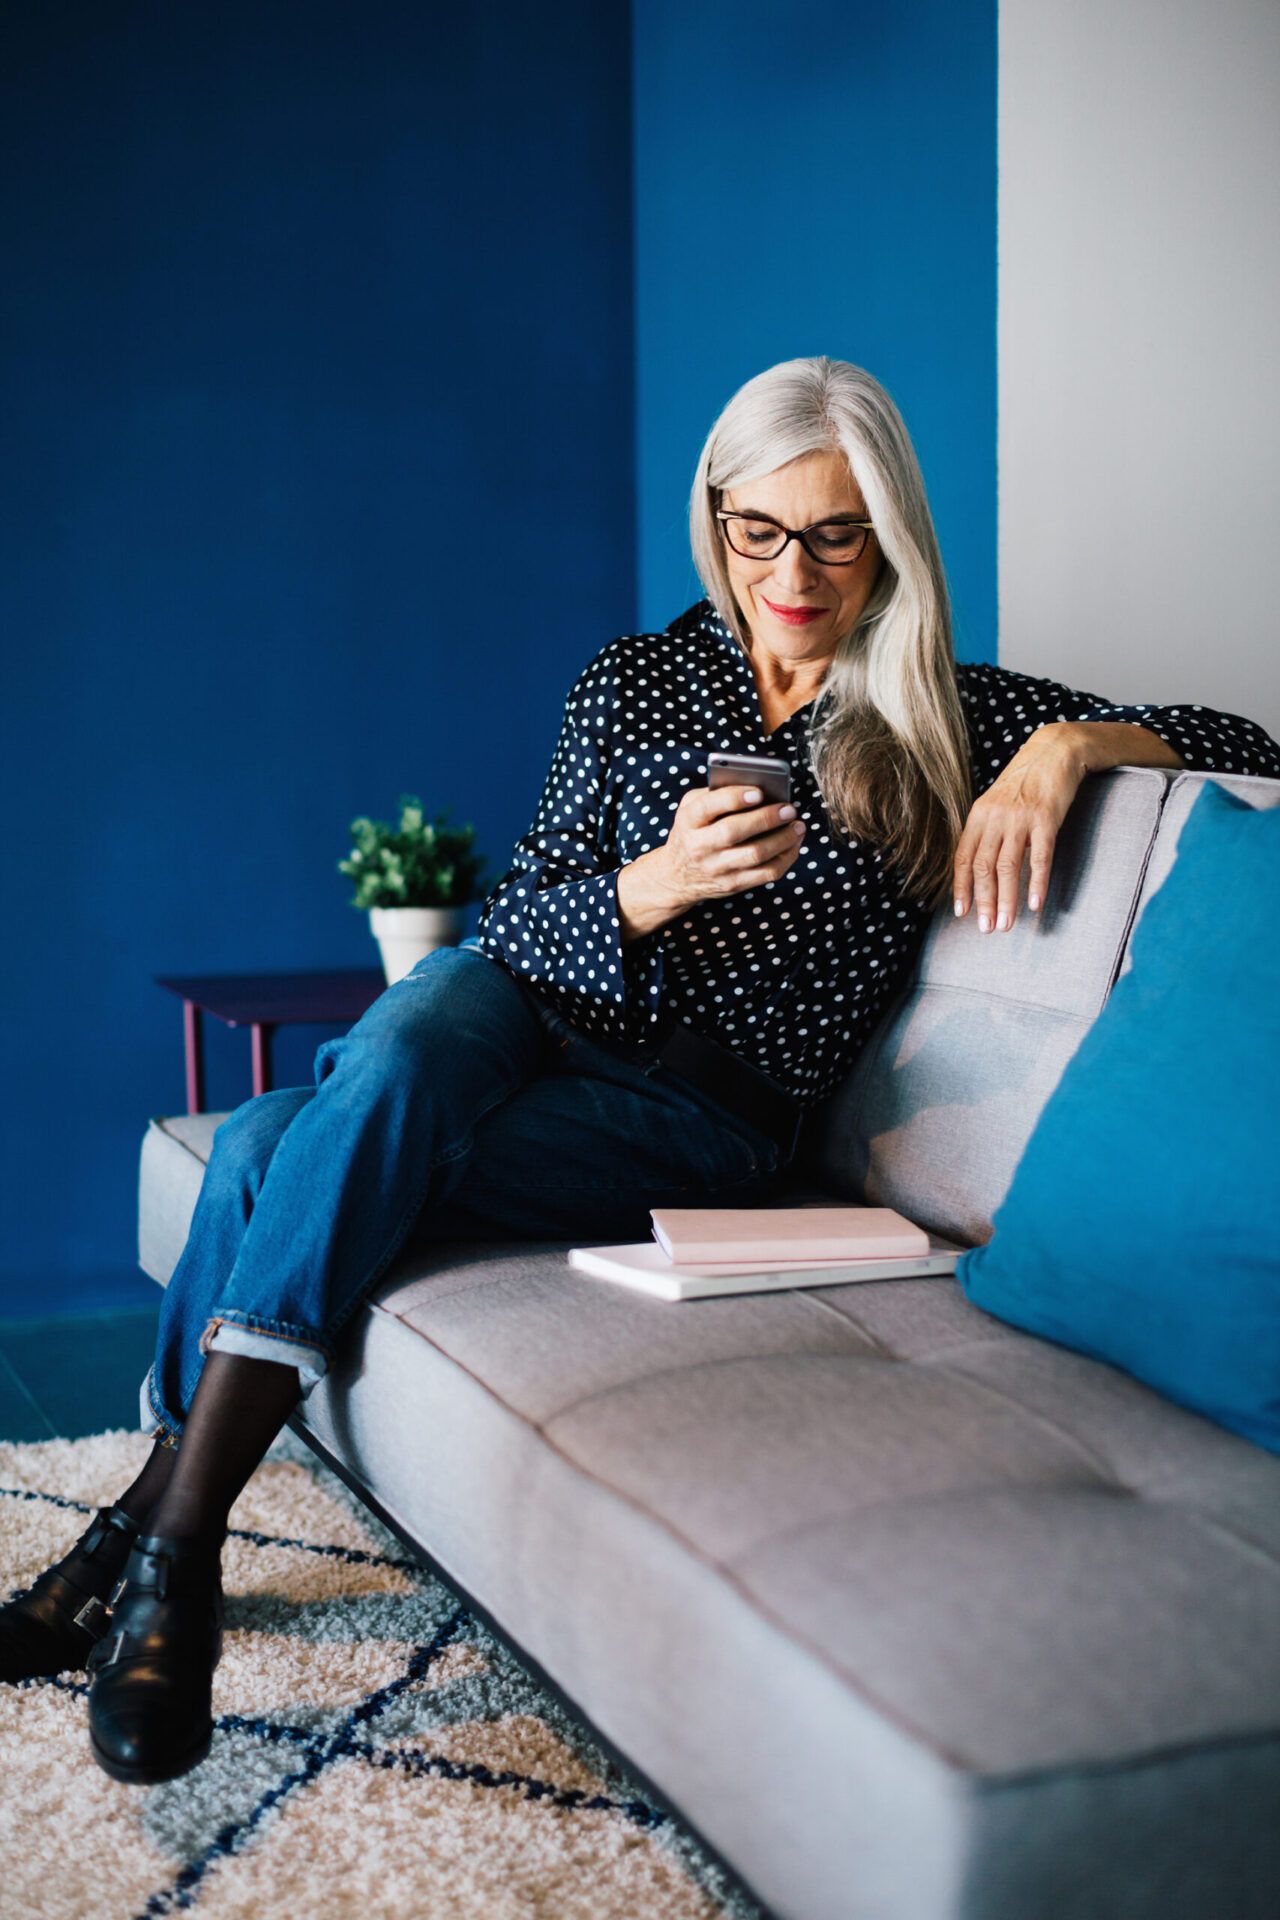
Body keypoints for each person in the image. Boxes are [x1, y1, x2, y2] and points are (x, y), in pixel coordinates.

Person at [4, 355, 1277, 1787]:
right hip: (523, 1013)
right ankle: (174, 1559)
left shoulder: (946, 716)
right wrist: (649, 888)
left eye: (839, 533)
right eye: (763, 531)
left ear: (892, 536)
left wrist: (1064, 747)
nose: (796, 573)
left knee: (257, 1154)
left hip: (695, 1118)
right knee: (426, 1023)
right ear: (718, 517)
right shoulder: (634, 679)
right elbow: (516, 912)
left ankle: (150, 1537)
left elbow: (1250, 741)